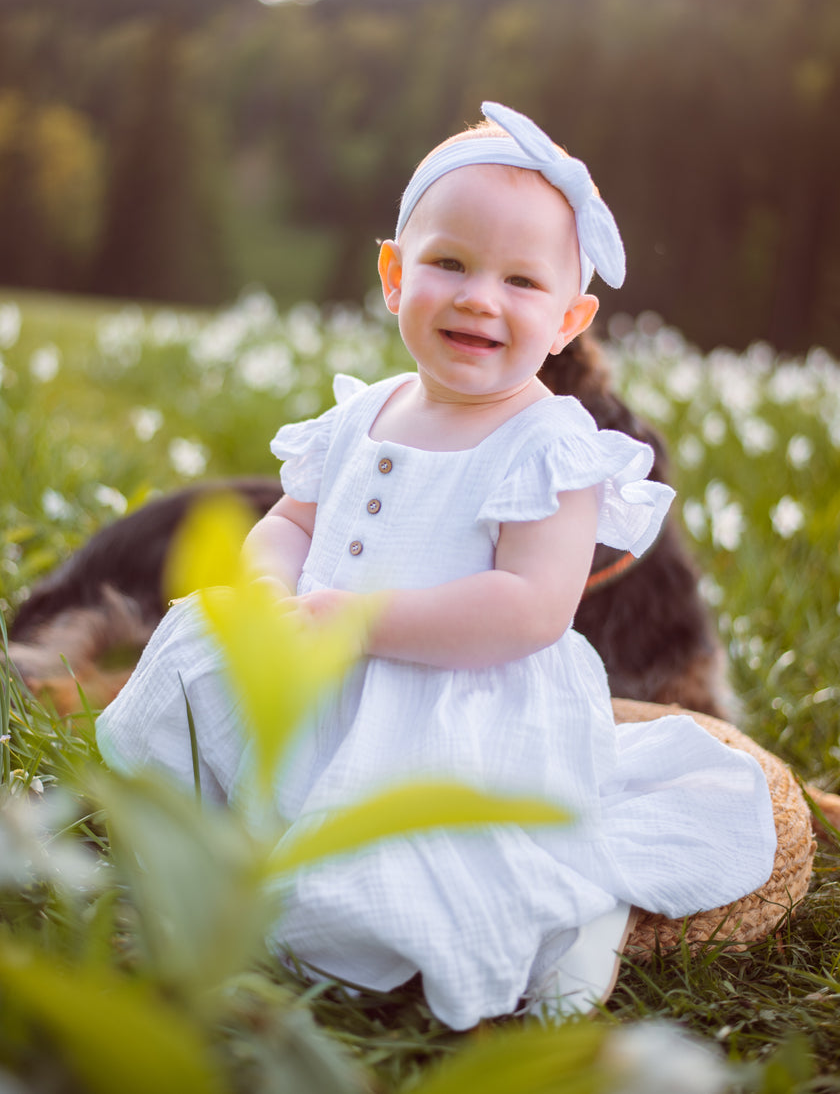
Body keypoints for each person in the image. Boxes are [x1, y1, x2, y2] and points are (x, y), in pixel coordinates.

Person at [96, 101, 777, 1030]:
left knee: (397, 884)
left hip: (456, 712)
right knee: (202, 659)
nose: (478, 297)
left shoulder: (552, 446)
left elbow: (533, 607)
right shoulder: (360, 412)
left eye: (522, 282)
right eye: (449, 262)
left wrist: (364, 621)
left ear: (572, 318)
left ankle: (576, 910)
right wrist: (270, 592)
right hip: (320, 676)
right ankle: (231, 835)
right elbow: (290, 524)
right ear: (393, 273)